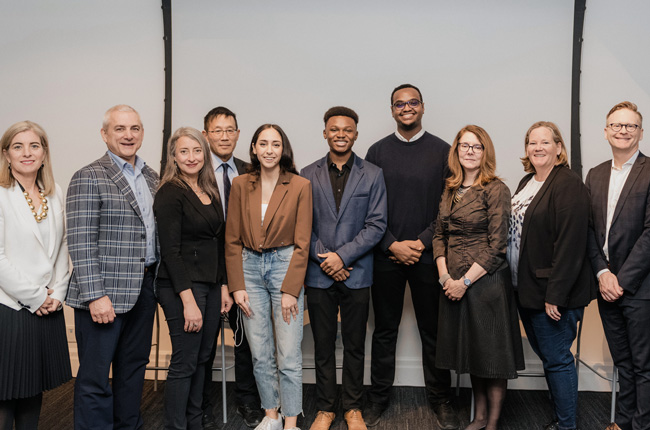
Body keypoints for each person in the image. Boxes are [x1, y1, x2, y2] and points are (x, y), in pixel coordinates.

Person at [364, 84, 458, 429]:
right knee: (384, 330)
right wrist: (391, 244)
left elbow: (448, 207)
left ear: (422, 107)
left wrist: (419, 242)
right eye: (399, 104)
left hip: (428, 255)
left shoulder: (443, 151)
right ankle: (377, 399)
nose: (406, 108)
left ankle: (441, 400)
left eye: (412, 102)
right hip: (385, 254)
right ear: (392, 110)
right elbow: (367, 207)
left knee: (433, 331)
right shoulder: (376, 152)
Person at [66, 105, 159, 430]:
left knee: (133, 371)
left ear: (142, 133)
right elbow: (79, 240)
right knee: (94, 376)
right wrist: (95, 296)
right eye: (119, 128)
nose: (128, 135)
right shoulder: (88, 176)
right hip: (103, 295)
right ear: (105, 134)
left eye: (134, 128)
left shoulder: (151, 177)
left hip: (144, 291)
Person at [300, 107, 387, 430]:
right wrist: (327, 259)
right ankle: (325, 408)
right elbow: (300, 225)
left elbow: (377, 225)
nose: (340, 134)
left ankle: (352, 407)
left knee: (354, 345)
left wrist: (343, 257)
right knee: (322, 345)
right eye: (334, 129)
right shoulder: (306, 174)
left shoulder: (373, 174)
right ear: (325, 132)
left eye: (347, 129)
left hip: (357, 273)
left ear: (355, 134)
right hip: (319, 275)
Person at [433, 125, 524, 430]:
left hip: (486, 284)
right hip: (454, 283)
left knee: (492, 357)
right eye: (465, 145)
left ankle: (493, 423)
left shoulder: (496, 189)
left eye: (477, 147)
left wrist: (464, 282)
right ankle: (479, 417)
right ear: (456, 150)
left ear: (486, 152)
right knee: (473, 353)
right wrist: (445, 276)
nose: (470, 151)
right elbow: (438, 235)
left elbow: (497, 246)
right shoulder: (450, 189)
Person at [508, 121, 595, 430]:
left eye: (546, 142)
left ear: (559, 147)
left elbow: (571, 246)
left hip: (552, 295)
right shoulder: (527, 182)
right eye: (532, 142)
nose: (538, 147)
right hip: (526, 289)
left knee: (557, 359)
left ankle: (567, 425)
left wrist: (554, 296)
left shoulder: (568, 184)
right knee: (549, 357)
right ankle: (561, 418)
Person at [225, 124, 312, 430]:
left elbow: (303, 244)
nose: (269, 150)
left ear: (283, 149)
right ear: (253, 148)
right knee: (260, 352)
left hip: (285, 265)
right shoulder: (240, 184)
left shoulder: (300, 185)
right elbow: (232, 239)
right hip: (249, 268)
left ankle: (290, 421)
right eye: (263, 144)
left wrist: (291, 289)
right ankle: (271, 415)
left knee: (288, 354)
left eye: (276, 144)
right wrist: (236, 285)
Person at [153, 127, 227, 429]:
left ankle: (194, 421)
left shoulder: (208, 189)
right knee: (185, 361)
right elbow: (170, 252)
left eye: (197, 151)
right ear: (174, 156)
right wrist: (188, 302)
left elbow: (217, 242)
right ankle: (175, 425)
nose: (191, 157)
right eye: (184, 151)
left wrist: (223, 285)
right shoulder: (170, 192)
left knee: (203, 357)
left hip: (209, 284)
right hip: (181, 287)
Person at [0, 121, 72, 429]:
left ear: (44, 153)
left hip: (48, 305)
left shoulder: (53, 193)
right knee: (6, 393)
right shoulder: (1, 195)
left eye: (34, 146)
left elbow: (63, 248)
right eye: (18, 146)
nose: (27, 153)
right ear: (6, 155)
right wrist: (37, 296)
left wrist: (57, 292)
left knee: (33, 389)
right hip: (11, 307)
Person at [586, 101, 650, 430]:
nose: (623, 130)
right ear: (606, 131)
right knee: (623, 362)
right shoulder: (595, 174)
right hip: (605, 285)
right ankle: (623, 423)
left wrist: (621, 280)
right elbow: (588, 232)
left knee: (644, 365)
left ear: (641, 132)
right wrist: (602, 273)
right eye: (616, 125)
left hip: (639, 287)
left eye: (630, 126)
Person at [201, 106, 263, 429]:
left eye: (230, 130)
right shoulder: (195, 170)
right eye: (217, 130)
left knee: (245, 340)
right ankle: (200, 405)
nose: (224, 136)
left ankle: (247, 400)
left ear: (239, 135)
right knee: (205, 345)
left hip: (243, 269)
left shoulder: (250, 171)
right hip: (207, 273)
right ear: (205, 135)